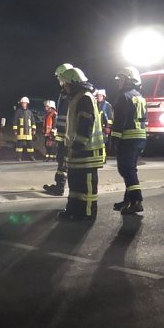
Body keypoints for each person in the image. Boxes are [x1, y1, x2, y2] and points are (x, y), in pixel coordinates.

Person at [57, 67, 106, 221]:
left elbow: (86, 123)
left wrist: (77, 145)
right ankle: (74, 210)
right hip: (77, 151)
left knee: (87, 186)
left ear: (74, 83)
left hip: (87, 151)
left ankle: (88, 213)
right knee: (75, 184)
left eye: (66, 84)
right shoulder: (77, 98)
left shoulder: (84, 98)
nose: (64, 87)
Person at [110, 66, 147, 215]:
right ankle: (128, 200)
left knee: (126, 169)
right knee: (130, 169)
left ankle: (136, 201)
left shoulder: (124, 96)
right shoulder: (140, 96)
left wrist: (114, 140)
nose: (119, 82)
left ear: (130, 80)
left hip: (128, 139)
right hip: (139, 138)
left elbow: (120, 121)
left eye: (121, 79)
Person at [43, 63, 74, 195]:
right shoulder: (65, 93)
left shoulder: (71, 93)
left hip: (69, 135)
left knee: (65, 162)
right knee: (62, 161)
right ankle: (59, 186)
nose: (59, 81)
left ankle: (61, 187)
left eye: (60, 77)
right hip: (63, 135)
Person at [12, 96, 37, 161]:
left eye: (25, 103)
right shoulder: (18, 112)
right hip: (21, 132)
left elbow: (33, 121)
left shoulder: (30, 112)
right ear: (21, 104)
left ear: (27, 103)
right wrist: (15, 130)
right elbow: (15, 121)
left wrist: (34, 130)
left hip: (28, 132)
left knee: (30, 146)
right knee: (19, 146)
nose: (24, 104)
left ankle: (32, 157)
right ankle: (19, 157)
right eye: (23, 103)